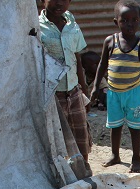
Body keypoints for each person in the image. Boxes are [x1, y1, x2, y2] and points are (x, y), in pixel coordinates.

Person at [94, 0, 140, 173]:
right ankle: (115, 155)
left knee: (135, 127)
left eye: (134, 20)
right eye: (125, 20)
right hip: (113, 93)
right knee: (115, 125)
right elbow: (102, 65)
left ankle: (136, 159)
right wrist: (95, 87)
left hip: (134, 93)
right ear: (116, 22)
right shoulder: (110, 42)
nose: (130, 24)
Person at [39, 0, 93, 168]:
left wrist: (84, 90)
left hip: (74, 90)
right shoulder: (37, 27)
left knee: (80, 134)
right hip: (53, 93)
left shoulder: (71, 23)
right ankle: (63, 173)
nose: (59, 3)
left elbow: (77, 57)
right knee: (57, 138)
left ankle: (83, 169)